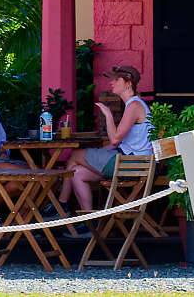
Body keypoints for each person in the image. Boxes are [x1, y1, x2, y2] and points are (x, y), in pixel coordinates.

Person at [63, 65, 153, 213]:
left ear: (128, 83)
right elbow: (125, 143)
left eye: (116, 80)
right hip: (131, 162)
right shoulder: (134, 105)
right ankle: (89, 222)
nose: (112, 83)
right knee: (76, 172)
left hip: (133, 165)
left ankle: (61, 204)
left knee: (75, 155)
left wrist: (108, 114)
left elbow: (115, 139)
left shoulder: (134, 105)